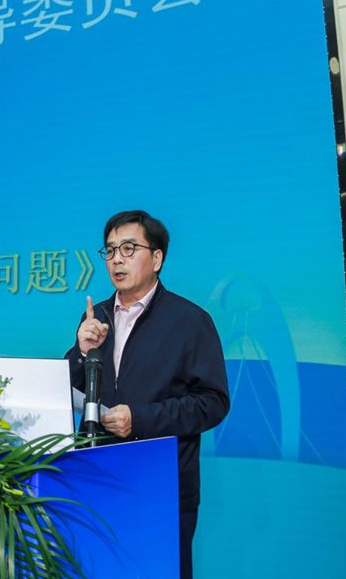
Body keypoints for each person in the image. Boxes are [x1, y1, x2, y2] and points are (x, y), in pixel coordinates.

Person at [65, 209, 229, 579]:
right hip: (97, 479)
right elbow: (68, 388)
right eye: (109, 250)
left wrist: (139, 419)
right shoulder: (96, 316)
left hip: (162, 486)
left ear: (156, 258)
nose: (116, 259)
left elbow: (213, 402)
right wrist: (80, 351)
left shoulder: (190, 321)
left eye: (128, 248)